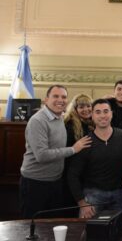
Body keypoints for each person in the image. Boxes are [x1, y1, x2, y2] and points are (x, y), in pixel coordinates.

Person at [20, 85, 91, 218]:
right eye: (56, 96)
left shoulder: (59, 117)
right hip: (35, 182)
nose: (60, 100)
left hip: (55, 181)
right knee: (32, 224)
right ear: (46, 99)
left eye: (63, 97)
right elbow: (42, 155)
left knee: (52, 223)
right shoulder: (38, 121)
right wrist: (73, 149)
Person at [68, 99, 122, 218]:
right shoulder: (84, 143)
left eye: (106, 111)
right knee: (89, 233)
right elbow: (72, 175)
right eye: (98, 112)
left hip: (120, 194)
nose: (102, 115)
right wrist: (82, 203)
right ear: (92, 115)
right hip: (92, 195)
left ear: (111, 114)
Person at [63, 93, 94, 216]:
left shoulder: (89, 123)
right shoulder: (69, 124)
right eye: (81, 107)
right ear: (75, 109)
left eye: (88, 106)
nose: (85, 109)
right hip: (71, 172)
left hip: (83, 172)